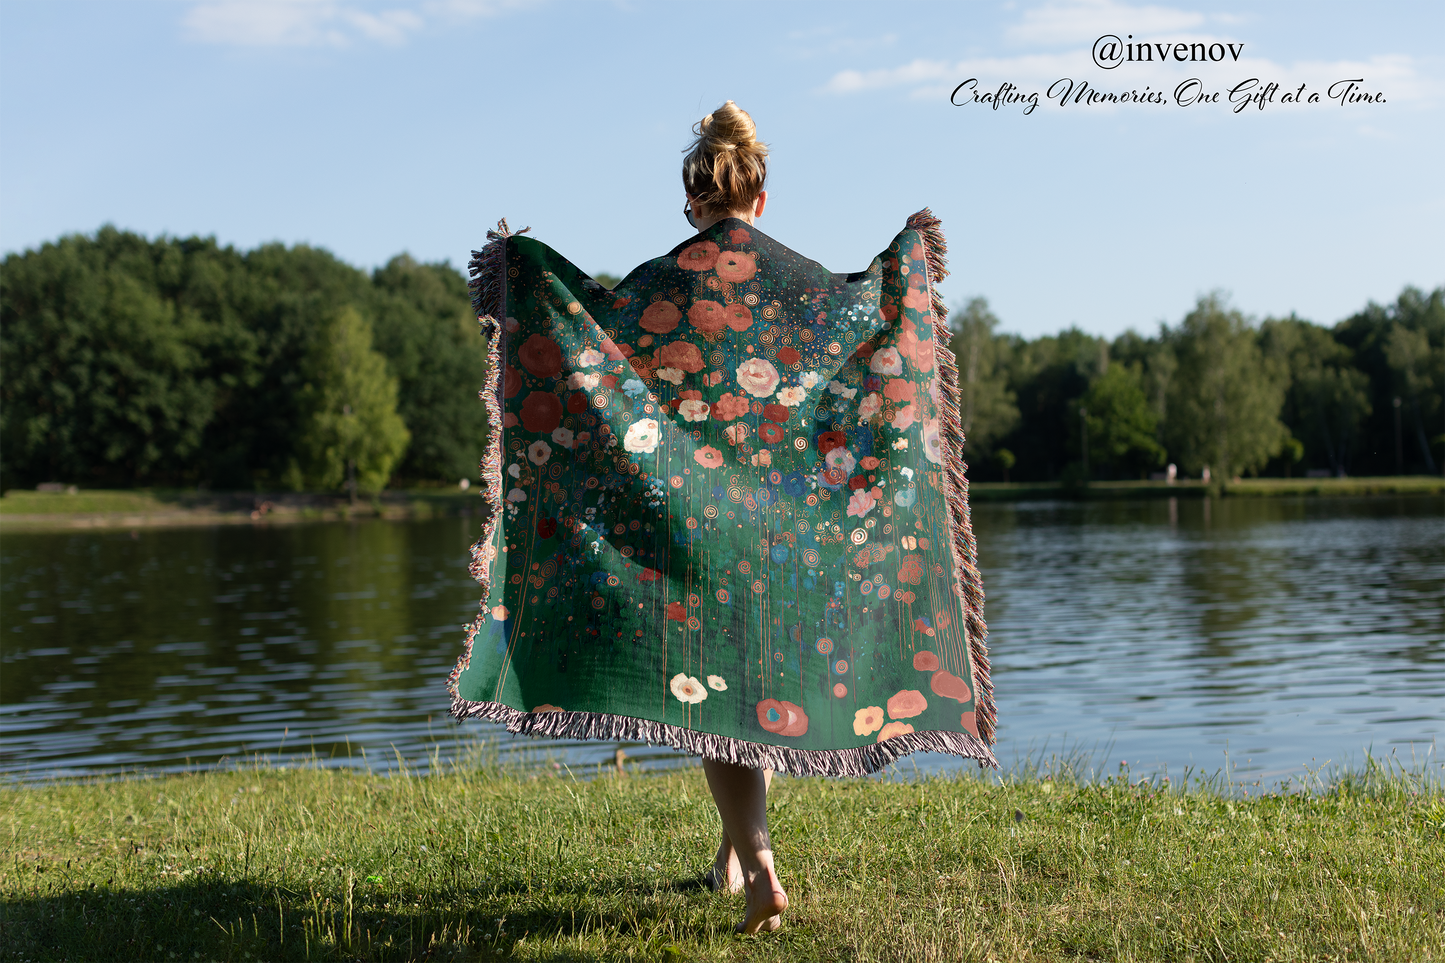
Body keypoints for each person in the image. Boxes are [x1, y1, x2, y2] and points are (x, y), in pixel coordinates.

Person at [450, 101, 995, 937]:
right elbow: (860, 328)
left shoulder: (659, 285)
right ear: (761, 198)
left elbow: (590, 341)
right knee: (746, 698)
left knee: (718, 701)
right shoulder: (803, 287)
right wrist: (903, 266)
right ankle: (734, 856)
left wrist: (526, 269)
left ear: (691, 203)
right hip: (781, 539)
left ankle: (759, 869)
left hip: (692, 532)